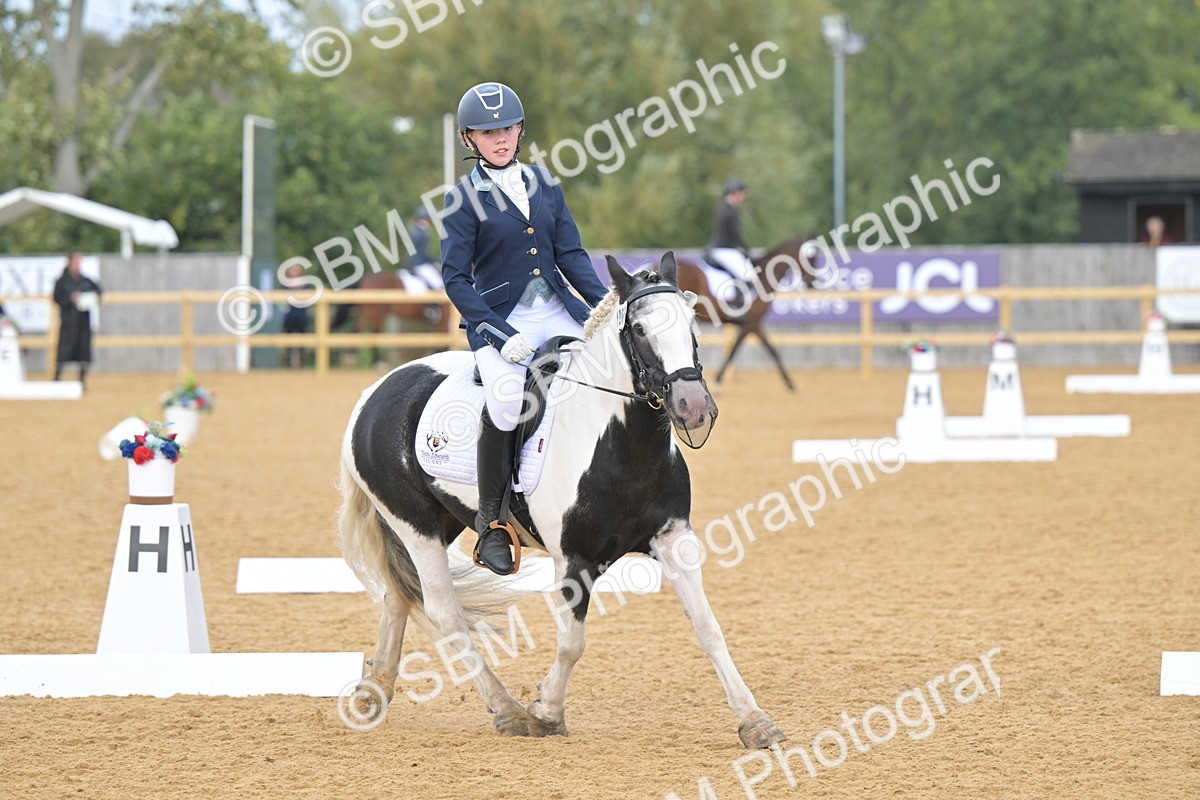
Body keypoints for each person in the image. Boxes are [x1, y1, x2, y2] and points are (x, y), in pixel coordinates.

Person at [441, 81, 608, 575]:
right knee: (508, 399)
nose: (500, 139)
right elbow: (455, 278)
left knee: (612, 372)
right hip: (502, 319)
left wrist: (605, 306)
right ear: (469, 139)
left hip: (556, 309)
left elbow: (570, 254)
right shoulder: (461, 199)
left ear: (520, 130)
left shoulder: (545, 184)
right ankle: (492, 521)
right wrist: (495, 333)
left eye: (507, 129)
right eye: (487, 132)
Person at [52, 251, 101, 388]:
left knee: (84, 352)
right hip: (68, 322)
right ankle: (56, 379)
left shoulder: (86, 280)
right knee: (63, 351)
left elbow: (99, 291)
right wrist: (70, 298)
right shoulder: (62, 281)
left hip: (83, 322)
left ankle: (82, 382)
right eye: (76, 262)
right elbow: (56, 298)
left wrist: (90, 297)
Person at [707, 177, 754, 311]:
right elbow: (734, 235)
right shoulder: (731, 211)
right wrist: (746, 248)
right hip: (725, 250)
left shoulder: (721, 208)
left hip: (718, 248)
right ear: (736, 193)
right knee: (748, 275)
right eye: (742, 194)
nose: (743, 197)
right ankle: (737, 307)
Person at [281, 263, 310, 369]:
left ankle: (302, 363)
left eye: (296, 270)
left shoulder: (305, 285)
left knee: (302, 342)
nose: (294, 273)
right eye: (292, 270)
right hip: (289, 316)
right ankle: (288, 364)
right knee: (288, 342)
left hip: (301, 316)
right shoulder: (285, 285)